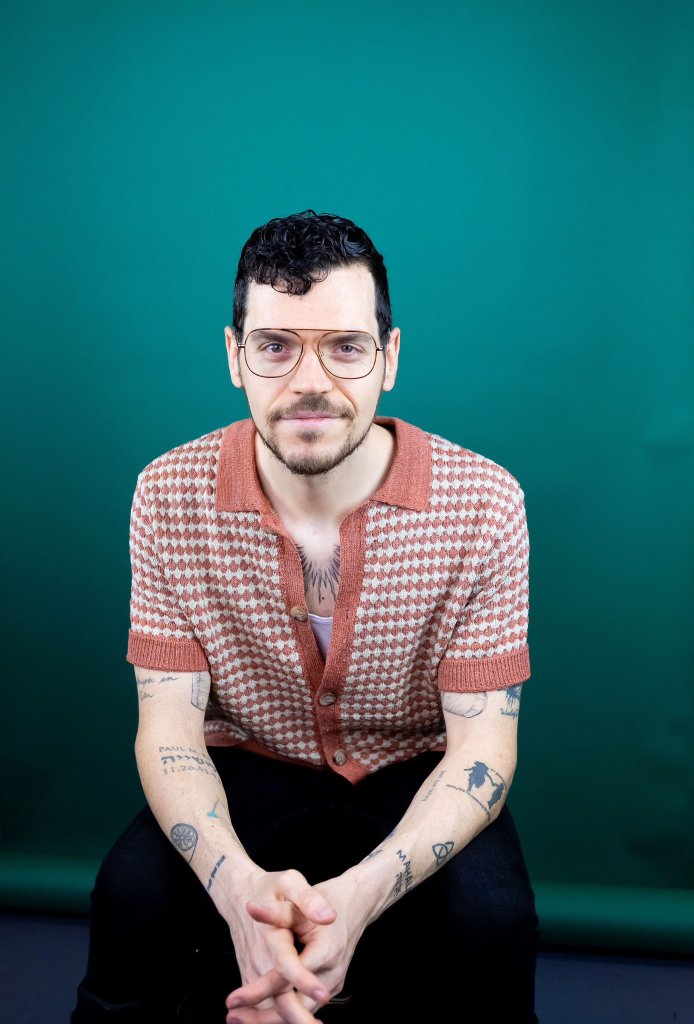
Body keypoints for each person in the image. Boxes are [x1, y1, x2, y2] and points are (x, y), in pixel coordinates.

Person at [72, 210, 539, 1024]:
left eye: (347, 346)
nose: (310, 382)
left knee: (490, 918)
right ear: (234, 356)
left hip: (413, 769)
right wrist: (238, 892)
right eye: (276, 345)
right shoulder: (168, 494)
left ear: (389, 359)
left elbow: (483, 752)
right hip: (245, 762)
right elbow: (169, 729)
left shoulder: (485, 504)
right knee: (131, 895)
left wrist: (354, 902)